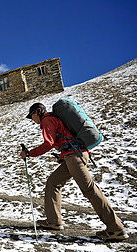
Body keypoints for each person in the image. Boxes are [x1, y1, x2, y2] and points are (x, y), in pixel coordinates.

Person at [20, 103, 128, 241]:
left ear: (37, 112)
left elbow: (49, 143)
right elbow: (63, 139)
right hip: (72, 156)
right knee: (53, 183)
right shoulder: (54, 118)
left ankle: (115, 228)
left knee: (89, 189)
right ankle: (54, 221)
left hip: (74, 157)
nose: (32, 119)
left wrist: (29, 153)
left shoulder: (47, 120)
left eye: (31, 116)